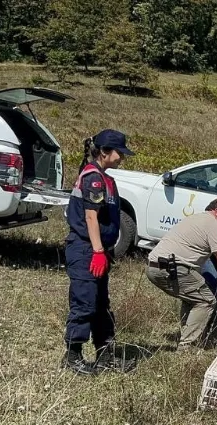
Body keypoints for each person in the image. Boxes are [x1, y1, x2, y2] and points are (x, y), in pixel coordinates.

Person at [62, 129, 137, 375]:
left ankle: (105, 356)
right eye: (119, 153)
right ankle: (72, 356)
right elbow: (91, 216)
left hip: (98, 249)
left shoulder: (106, 179)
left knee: (101, 304)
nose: (122, 158)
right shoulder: (93, 178)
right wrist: (96, 251)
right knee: (84, 302)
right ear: (104, 152)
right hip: (85, 249)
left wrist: (105, 251)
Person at [146, 198, 217, 349]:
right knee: (206, 301)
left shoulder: (196, 218)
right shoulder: (213, 225)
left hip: (154, 266)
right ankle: (187, 348)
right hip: (174, 268)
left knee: (193, 298)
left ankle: (187, 336)